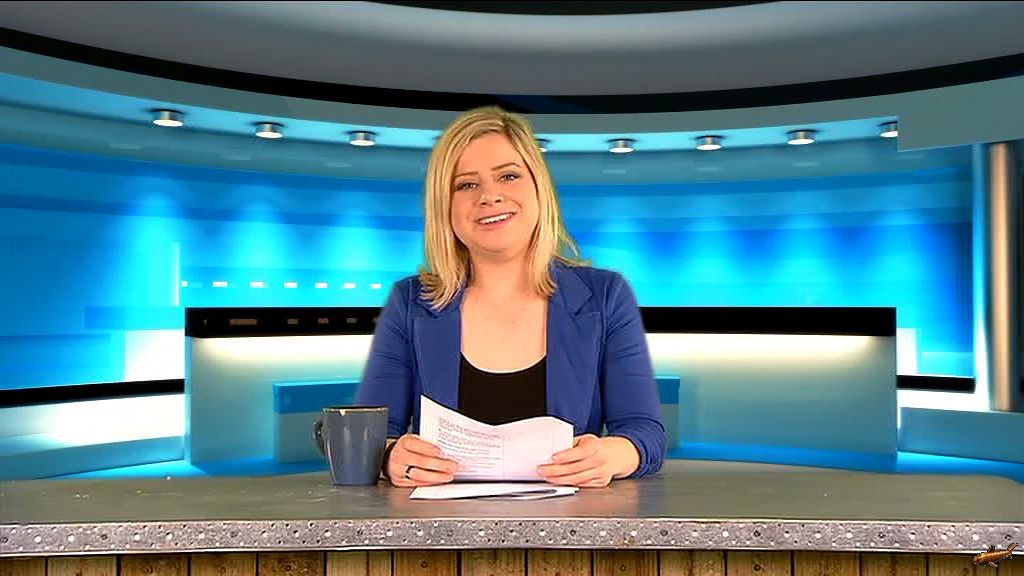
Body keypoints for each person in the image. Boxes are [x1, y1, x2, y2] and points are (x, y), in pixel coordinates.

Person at [355, 105, 666, 488]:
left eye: (508, 176)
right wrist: (389, 456)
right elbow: (367, 434)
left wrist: (612, 455)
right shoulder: (409, 303)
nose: (490, 196)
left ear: (539, 188)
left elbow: (645, 433)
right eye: (466, 185)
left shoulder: (605, 296)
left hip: (572, 522)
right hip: (440, 524)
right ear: (444, 206)